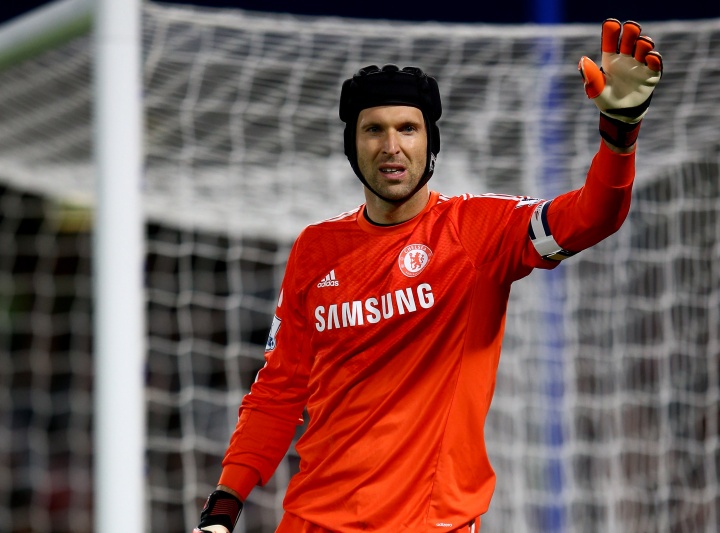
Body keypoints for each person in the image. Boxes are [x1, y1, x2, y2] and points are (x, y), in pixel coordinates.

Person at [193, 18, 662, 533]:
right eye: (373, 129)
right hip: (309, 521)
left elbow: (593, 216)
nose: (391, 145)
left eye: (407, 128)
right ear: (352, 145)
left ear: (430, 142)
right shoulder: (315, 248)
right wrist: (224, 506)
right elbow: (278, 391)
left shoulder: (479, 230)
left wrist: (619, 136)